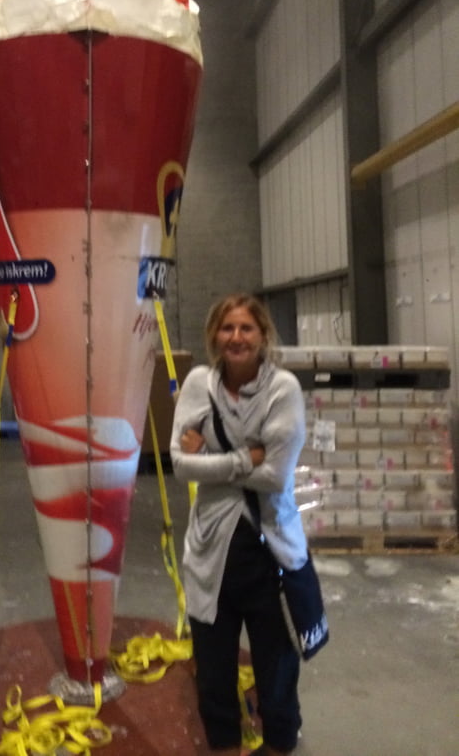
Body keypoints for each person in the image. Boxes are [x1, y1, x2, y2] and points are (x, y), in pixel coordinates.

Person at [170, 293, 308, 756]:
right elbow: (180, 465)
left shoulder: (282, 390)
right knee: (213, 667)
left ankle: (278, 743)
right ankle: (225, 745)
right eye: (227, 328)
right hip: (212, 551)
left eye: (246, 328)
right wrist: (245, 456)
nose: (236, 337)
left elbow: (275, 475)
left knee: (277, 663)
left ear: (263, 335)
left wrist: (209, 456)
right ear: (214, 336)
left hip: (269, 550)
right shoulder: (197, 386)